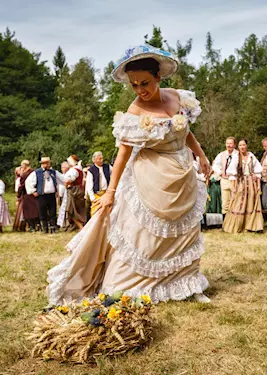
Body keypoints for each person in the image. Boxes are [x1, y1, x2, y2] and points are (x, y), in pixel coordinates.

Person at [47, 44, 211, 305]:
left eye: (144, 82)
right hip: (151, 178)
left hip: (182, 173)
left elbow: (186, 131)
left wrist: (201, 156)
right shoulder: (135, 113)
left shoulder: (177, 98)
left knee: (185, 231)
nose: (140, 90)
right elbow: (122, 155)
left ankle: (186, 283)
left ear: (158, 77)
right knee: (146, 236)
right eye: (134, 85)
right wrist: (110, 192)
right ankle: (130, 287)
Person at [223, 139, 264, 233]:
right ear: (238, 147)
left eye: (244, 145)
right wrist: (233, 187)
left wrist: (258, 186)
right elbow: (232, 173)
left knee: (251, 202)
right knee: (239, 203)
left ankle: (251, 226)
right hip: (240, 182)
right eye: (240, 145)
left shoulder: (251, 156)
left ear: (246, 146)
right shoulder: (236, 157)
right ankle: (236, 226)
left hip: (251, 182)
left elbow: (257, 171)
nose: (242, 147)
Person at [26, 156, 64, 234]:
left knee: (52, 211)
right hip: (41, 195)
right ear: (43, 164)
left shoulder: (53, 172)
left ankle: (53, 228)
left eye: (49, 163)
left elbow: (62, 179)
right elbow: (28, 182)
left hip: (51, 194)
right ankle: (45, 228)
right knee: (42, 212)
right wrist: (33, 191)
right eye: (47, 163)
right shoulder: (36, 173)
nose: (48, 165)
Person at [212, 137, 239, 218]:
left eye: (230, 143)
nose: (229, 145)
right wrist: (220, 173)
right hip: (224, 180)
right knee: (225, 202)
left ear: (234, 145)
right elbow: (215, 166)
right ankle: (225, 222)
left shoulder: (238, 154)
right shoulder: (221, 155)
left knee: (235, 200)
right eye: (227, 143)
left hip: (235, 180)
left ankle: (235, 221)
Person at [85, 151, 113, 218]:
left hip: (106, 193)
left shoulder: (107, 167)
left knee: (108, 212)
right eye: (99, 159)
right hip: (97, 195)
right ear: (94, 160)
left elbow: (114, 174)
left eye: (102, 158)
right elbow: (89, 185)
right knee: (96, 213)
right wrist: (92, 197)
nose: (101, 160)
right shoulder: (91, 170)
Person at [63, 155, 86, 230]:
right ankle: (78, 226)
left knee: (72, 209)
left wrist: (66, 186)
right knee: (78, 209)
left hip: (74, 191)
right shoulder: (80, 169)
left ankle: (80, 226)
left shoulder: (74, 170)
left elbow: (69, 180)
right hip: (80, 189)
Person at [17, 160, 39, 232]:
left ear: (24, 166)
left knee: (28, 212)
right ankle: (37, 225)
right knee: (36, 210)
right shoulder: (35, 172)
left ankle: (32, 227)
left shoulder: (25, 175)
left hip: (27, 194)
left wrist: (18, 195)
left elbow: (22, 186)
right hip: (35, 193)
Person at [57, 161, 70, 229]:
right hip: (61, 195)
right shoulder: (62, 175)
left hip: (67, 195)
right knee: (61, 209)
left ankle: (65, 223)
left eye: (63, 167)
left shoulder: (68, 175)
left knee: (66, 210)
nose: (62, 169)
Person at [13, 165, 25, 231]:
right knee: (21, 212)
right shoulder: (18, 180)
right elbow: (17, 190)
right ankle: (20, 226)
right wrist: (17, 198)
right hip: (21, 196)